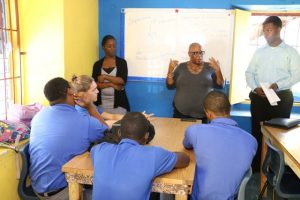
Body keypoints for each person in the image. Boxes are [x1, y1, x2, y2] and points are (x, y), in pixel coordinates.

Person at [29, 77, 108, 200]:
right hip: (62, 191)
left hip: (37, 188)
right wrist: (90, 106)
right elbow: (105, 130)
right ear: (71, 93)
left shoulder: (38, 116)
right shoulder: (83, 121)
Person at [90, 112, 190, 200]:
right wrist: (168, 155)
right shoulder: (154, 155)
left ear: (119, 133)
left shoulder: (99, 150)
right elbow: (185, 160)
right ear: (146, 136)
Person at [245, 16, 300, 172]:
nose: (266, 33)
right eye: (264, 31)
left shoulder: (290, 52)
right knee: (257, 131)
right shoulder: (259, 52)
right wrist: (256, 87)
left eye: (269, 30)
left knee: (278, 134)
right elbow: (249, 73)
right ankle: (256, 167)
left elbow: (296, 75)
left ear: (278, 29)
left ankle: (276, 168)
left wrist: (278, 85)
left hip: (281, 98)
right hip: (259, 97)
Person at [183, 91, 257, 200]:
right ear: (229, 110)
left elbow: (186, 145)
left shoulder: (194, 130)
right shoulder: (252, 141)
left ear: (208, 114)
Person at [166, 42, 224, 122]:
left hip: (203, 114)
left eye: (200, 52)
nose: (199, 55)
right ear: (189, 54)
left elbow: (220, 85)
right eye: (195, 53)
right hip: (180, 113)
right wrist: (170, 71)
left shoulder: (209, 67)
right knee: (178, 134)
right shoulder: (181, 67)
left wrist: (218, 70)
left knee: (200, 135)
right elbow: (170, 85)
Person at [92, 34, 130, 115]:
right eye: (109, 46)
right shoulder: (97, 64)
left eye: (114, 46)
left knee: (118, 125)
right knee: (103, 126)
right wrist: (112, 84)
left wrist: (105, 76)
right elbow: (95, 84)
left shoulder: (122, 62)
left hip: (118, 105)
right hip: (100, 106)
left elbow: (122, 81)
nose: (113, 48)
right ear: (103, 47)